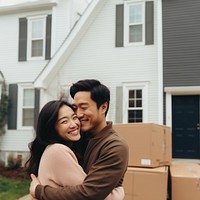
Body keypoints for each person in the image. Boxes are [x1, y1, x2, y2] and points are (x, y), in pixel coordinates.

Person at [30, 79, 129, 200]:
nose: (78, 114)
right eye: (75, 108)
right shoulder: (77, 138)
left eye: (83, 107)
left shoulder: (114, 146)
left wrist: (40, 191)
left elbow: (89, 193)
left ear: (103, 107)